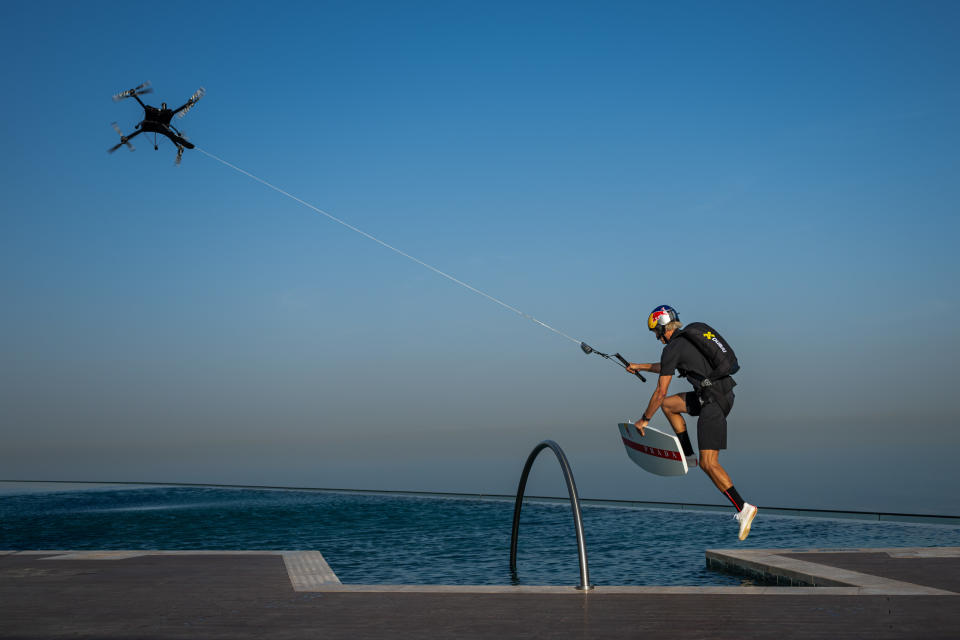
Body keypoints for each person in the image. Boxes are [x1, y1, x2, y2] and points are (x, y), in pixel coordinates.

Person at [625, 305, 757, 540]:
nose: (657, 338)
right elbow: (666, 368)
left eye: (657, 332)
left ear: (664, 328)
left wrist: (644, 420)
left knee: (710, 463)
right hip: (719, 394)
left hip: (713, 402)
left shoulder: (672, 349)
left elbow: (660, 391)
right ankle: (688, 455)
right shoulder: (685, 342)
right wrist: (639, 366)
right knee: (669, 406)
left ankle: (743, 508)